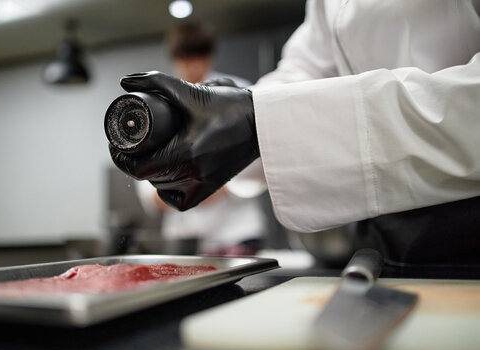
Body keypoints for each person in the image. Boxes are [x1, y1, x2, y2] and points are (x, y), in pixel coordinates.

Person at [110, 1, 480, 269]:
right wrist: (251, 113)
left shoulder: (226, 90)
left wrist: (256, 122)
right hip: (383, 238)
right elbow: (301, 72)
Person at [135, 22, 267, 255]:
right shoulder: (158, 104)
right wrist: (166, 195)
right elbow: (146, 177)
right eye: (186, 60)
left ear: (210, 57)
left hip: (236, 234)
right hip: (185, 240)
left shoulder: (236, 94)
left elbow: (260, 156)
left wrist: (216, 188)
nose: (193, 67)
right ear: (175, 59)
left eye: (200, 58)